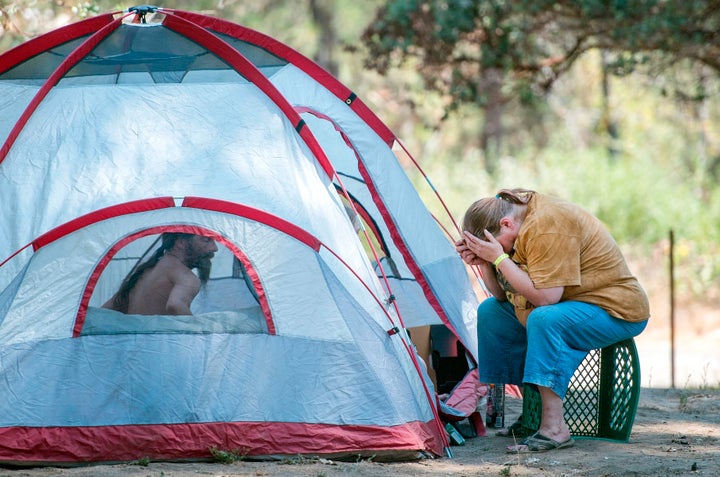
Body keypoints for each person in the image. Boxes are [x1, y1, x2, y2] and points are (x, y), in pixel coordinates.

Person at [455, 188, 649, 453]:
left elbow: (547, 298)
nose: (503, 252)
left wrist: (498, 258)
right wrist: (485, 263)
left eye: (497, 245)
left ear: (506, 224)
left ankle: (554, 429)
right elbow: (501, 295)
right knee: (492, 311)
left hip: (613, 309)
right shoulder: (515, 223)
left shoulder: (548, 226)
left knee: (544, 319)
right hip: (568, 304)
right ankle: (533, 412)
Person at [103, 232, 218, 315]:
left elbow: (106, 309)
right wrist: (199, 334)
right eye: (206, 240)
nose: (215, 248)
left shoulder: (146, 270)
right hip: (156, 346)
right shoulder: (186, 277)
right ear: (181, 243)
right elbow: (175, 305)